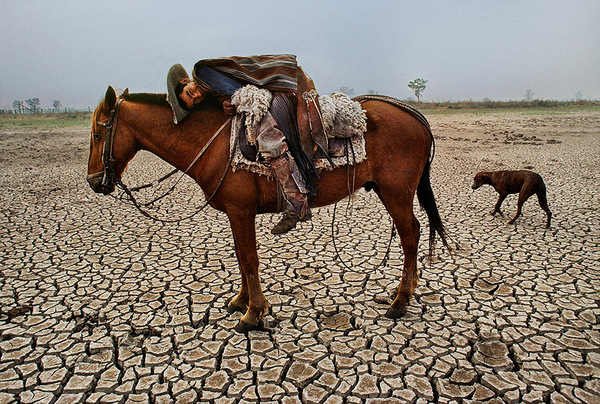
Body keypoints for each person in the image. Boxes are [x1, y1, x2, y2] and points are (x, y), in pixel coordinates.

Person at [166, 54, 314, 234]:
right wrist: (225, 102)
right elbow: (230, 95)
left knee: (268, 141)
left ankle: (297, 201)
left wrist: (233, 101)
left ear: (185, 80)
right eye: (195, 100)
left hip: (262, 94)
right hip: (258, 95)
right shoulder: (208, 88)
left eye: (190, 92)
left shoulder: (202, 72)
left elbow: (242, 92)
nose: (197, 95)